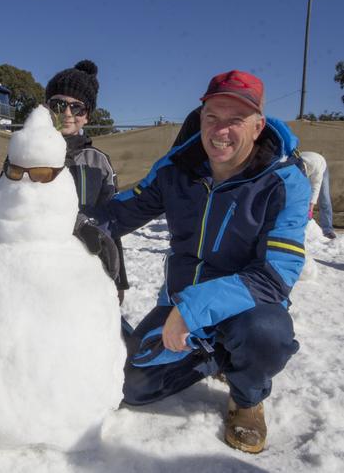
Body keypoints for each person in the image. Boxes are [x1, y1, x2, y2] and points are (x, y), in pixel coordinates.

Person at [82, 70, 310, 454]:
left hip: (247, 308)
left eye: (235, 120)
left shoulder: (284, 181)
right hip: (180, 304)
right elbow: (120, 213)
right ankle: (215, 355)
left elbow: (276, 274)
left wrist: (194, 309)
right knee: (133, 389)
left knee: (266, 335)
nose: (220, 131)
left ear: (257, 127)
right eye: (212, 118)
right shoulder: (177, 170)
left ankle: (247, 396)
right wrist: (59, 222)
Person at [45, 60, 129, 302]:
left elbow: (113, 222)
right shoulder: (26, 154)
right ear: (46, 108)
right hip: (39, 264)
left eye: (77, 108)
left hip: (86, 264)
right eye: (59, 105)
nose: (67, 114)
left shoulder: (98, 161)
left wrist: (119, 280)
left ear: (87, 116)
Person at [301, 151, 337, 239]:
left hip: (320, 164)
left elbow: (315, 188)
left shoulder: (316, 168)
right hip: (306, 158)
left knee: (324, 198)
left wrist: (311, 208)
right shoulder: (293, 165)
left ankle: (327, 230)